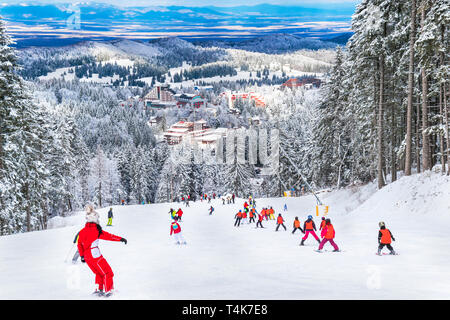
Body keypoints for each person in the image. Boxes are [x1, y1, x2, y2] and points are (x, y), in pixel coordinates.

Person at [77, 205, 127, 297]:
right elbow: (109, 236)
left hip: (87, 257)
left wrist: (82, 256)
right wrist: (120, 239)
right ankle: (109, 291)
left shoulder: (82, 231)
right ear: (95, 219)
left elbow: (79, 244)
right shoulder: (96, 230)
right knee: (108, 272)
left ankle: (98, 290)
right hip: (95, 255)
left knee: (99, 273)